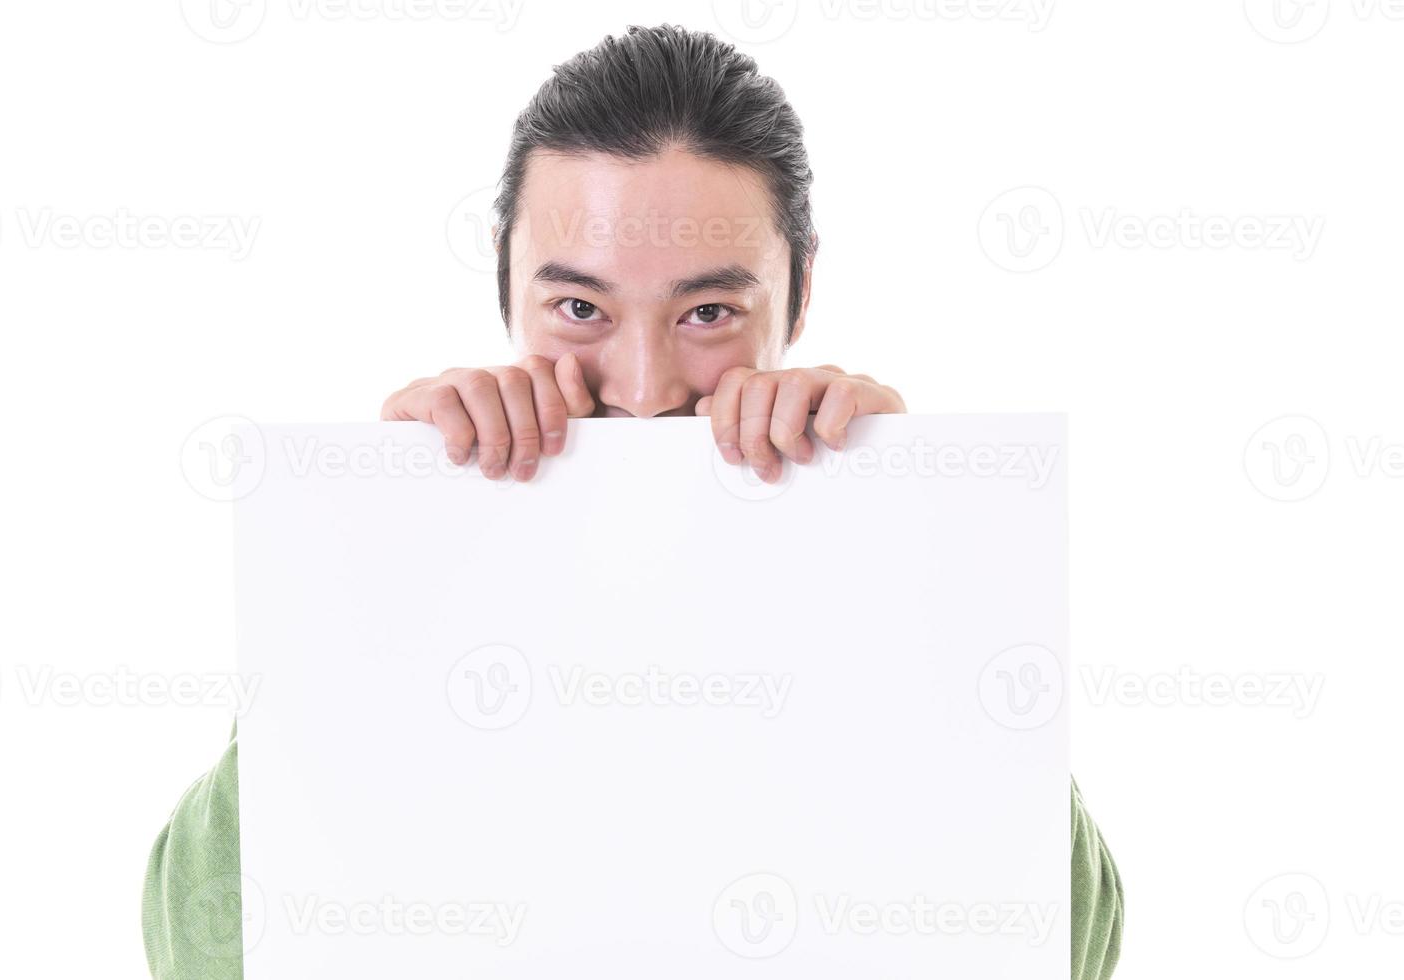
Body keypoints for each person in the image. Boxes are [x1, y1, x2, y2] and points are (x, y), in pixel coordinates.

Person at [143, 24, 1123, 979]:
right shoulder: (410, 553)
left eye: (707, 312)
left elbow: (1069, 948)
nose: (646, 386)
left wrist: (922, 545)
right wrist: (368, 585)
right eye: (581, 307)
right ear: (504, 278)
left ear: (802, 286)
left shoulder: (884, 556)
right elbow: (200, 952)